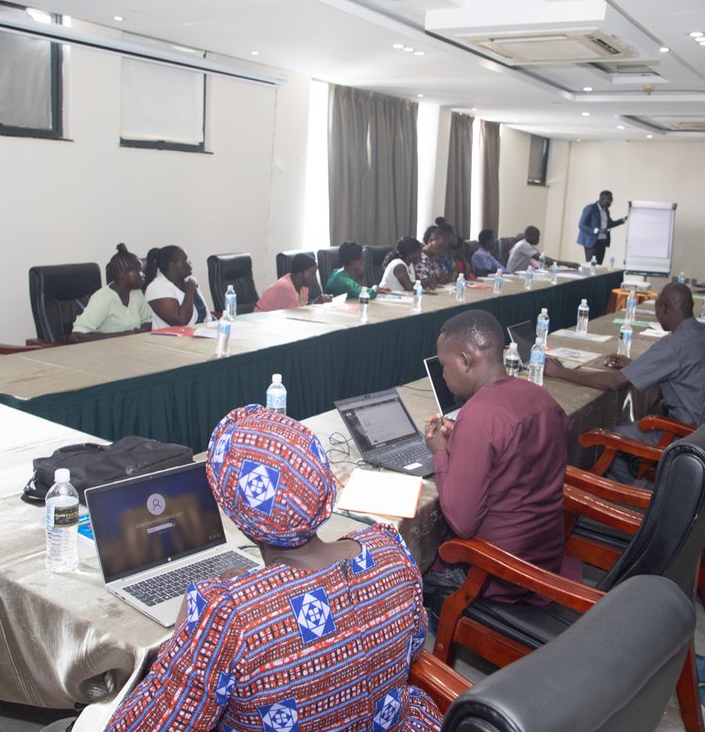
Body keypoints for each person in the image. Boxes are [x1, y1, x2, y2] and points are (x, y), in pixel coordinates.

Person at [106, 406, 442, 732]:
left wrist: (191, 627)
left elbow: (145, 723)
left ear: (239, 516)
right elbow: (409, 650)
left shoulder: (230, 616)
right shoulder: (392, 553)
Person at [424, 310, 569, 603]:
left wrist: (441, 452)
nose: (442, 374)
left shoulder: (478, 415)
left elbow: (462, 523)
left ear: (465, 361)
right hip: (544, 560)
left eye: (443, 365)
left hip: (498, 574)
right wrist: (462, 443)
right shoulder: (541, 396)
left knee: (411, 572)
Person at [545, 283, 705, 480]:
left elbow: (615, 382)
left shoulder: (673, 345)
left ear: (663, 308)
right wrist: (636, 366)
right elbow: (686, 369)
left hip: (686, 434)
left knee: (609, 435)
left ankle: (626, 495)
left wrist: (562, 372)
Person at [70, 244, 152, 342]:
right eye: (138, 271)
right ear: (123, 275)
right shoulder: (103, 298)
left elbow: (147, 321)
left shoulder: (136, 293)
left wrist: (139, 332)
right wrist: (124, 335)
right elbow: (77, 335)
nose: (143, 275)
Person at [145, 246, 209, 329]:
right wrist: (189, 292)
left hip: (202, 332)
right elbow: (180, 322)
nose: (189, 263)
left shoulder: (190, 280)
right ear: (172, 265)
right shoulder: (157, 287)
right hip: (174, 340)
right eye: (185, 260)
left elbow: (203, 313)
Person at [255, 253, 328, 312]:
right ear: (301, 273)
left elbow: (301, 311)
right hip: (260, 325)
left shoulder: (303, 287)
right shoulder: (285, 288)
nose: (314, 278)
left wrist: (316, 303)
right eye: (312, 273)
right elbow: (295, 318)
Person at [576, 190, 627, 265]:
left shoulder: (606, 210)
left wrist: (624, 219)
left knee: (599, 266)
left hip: (602, 242)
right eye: (608, 200)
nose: (610, 203)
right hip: (591, 242)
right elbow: (581, 225)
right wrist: (597, 230)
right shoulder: (590, 208)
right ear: (602, 199)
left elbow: (610, 224)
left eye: (611, 200)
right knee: (591, 265)